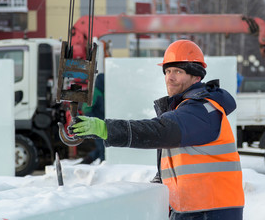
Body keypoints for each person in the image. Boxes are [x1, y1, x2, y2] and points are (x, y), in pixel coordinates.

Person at [71, 40, 245, 219]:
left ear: (196, 77)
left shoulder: (202, 109)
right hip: (194, 208)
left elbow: (160, 131)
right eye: (168, 71)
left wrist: (106, 129)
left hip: (211, 211)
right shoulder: (184, 109)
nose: (170, 77)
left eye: (178, 71)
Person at [80, 73, 105, 164]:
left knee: (102, 147)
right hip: (96, 124)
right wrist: (93, 122)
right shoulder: (95, 93)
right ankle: (103, 165)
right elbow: (86, 108)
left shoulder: (103, 92)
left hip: (103, 124)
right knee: (103, 147)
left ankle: (86, 161)